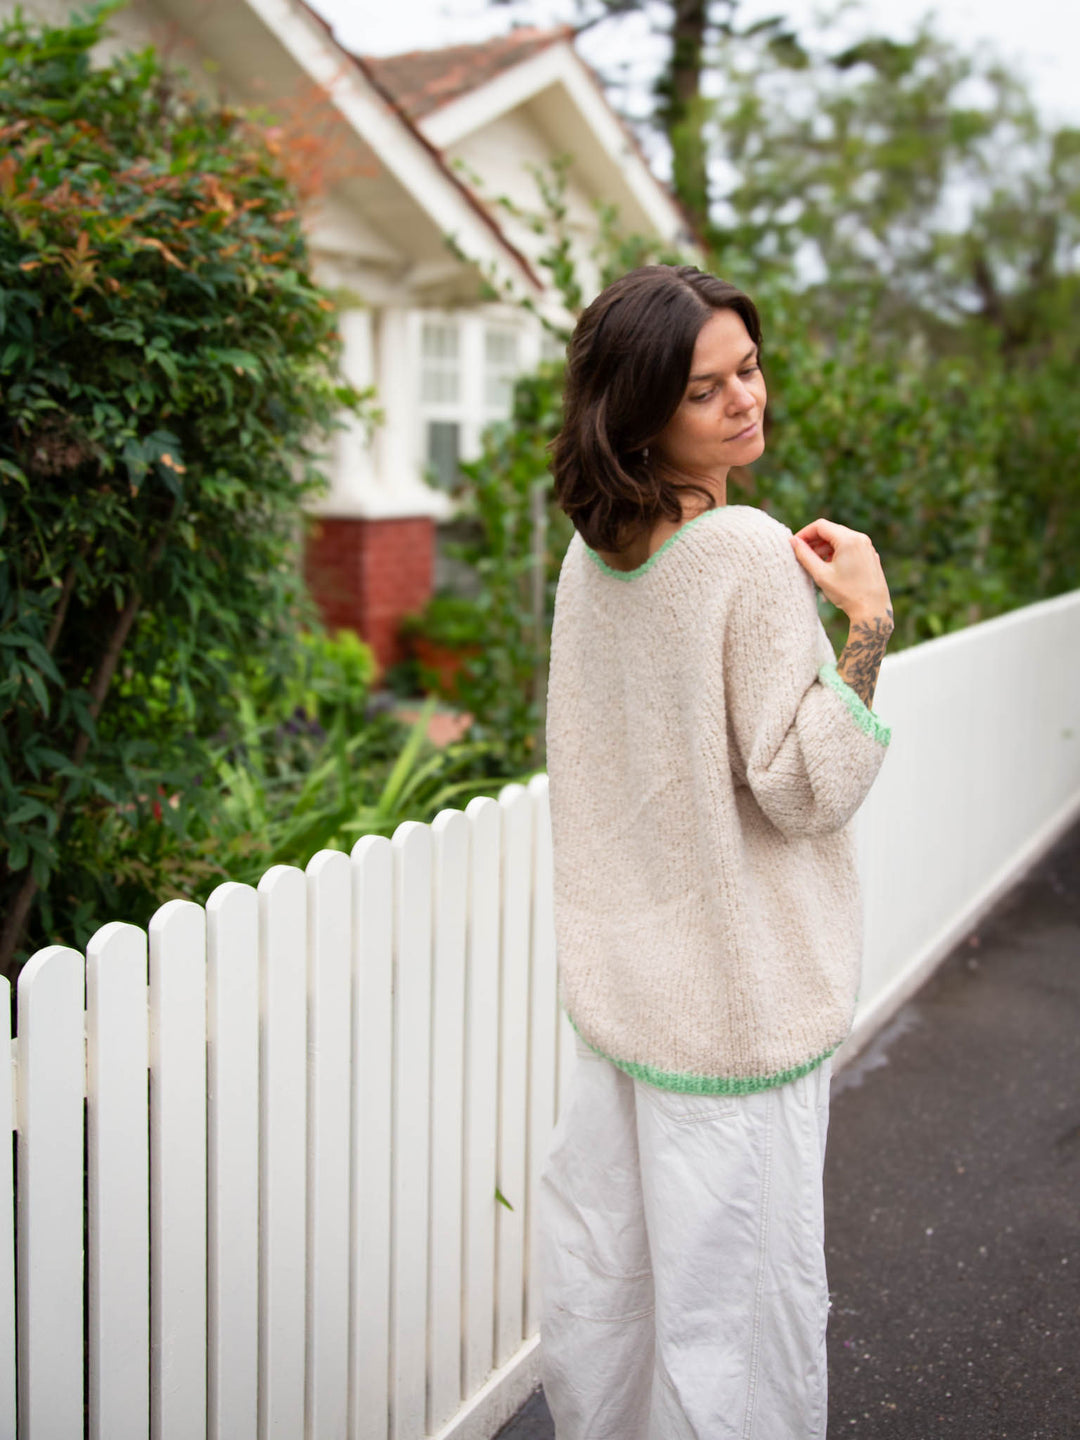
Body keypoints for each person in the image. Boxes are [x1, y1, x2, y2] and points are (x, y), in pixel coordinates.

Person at [539, 263, 895, 1440]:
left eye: (748, 367)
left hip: (624, 1001)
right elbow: (806, 789)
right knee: (737, 1327)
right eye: (707, 389)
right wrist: (869, 627)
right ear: (641, 412)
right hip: (734, 1017)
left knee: (617, 1296)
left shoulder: (590, 564)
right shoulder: (741, 552)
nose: (746, 399)